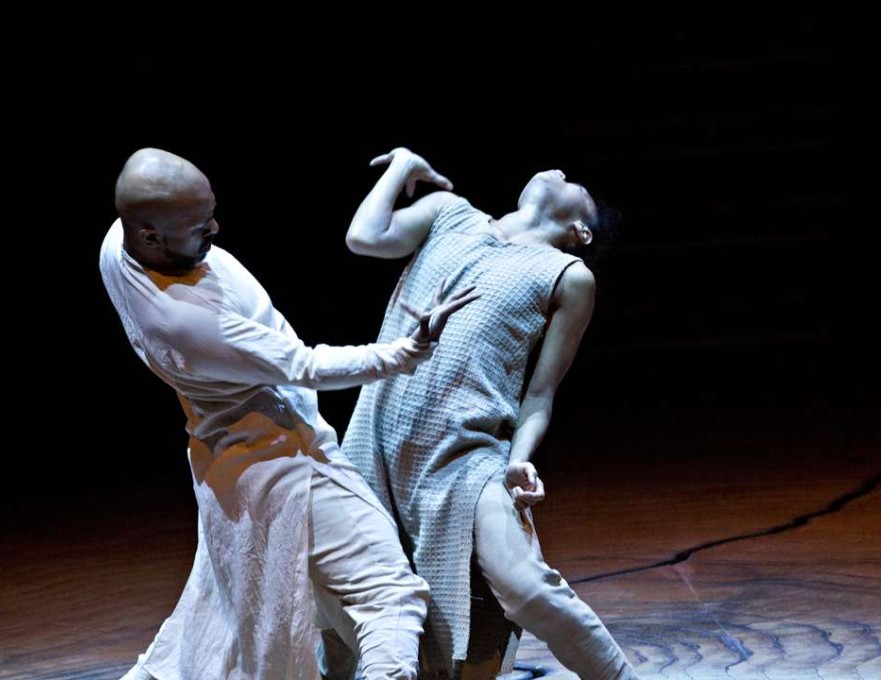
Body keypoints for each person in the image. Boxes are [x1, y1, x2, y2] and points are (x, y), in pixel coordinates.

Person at [100, 148, 478, 680]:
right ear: (149, 236)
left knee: (222, 621)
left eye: (210, 211)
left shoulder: (115, 248)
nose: (214, 227)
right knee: (389, 595)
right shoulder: (186, 321)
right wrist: (404, 351)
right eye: (196, 224)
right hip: (286, 464)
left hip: (228, 470)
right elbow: (305, 364)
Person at [327, 147, 637, 679]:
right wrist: (404, 166)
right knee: (341, 607)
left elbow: (540, 394)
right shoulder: (449, 212)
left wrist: (520, 459)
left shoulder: (567, 275)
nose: (558, 169)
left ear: (580, 231)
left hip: (466, 457)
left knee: (525, 588)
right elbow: (364, 237)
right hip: (374, 443)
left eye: (573, 181)